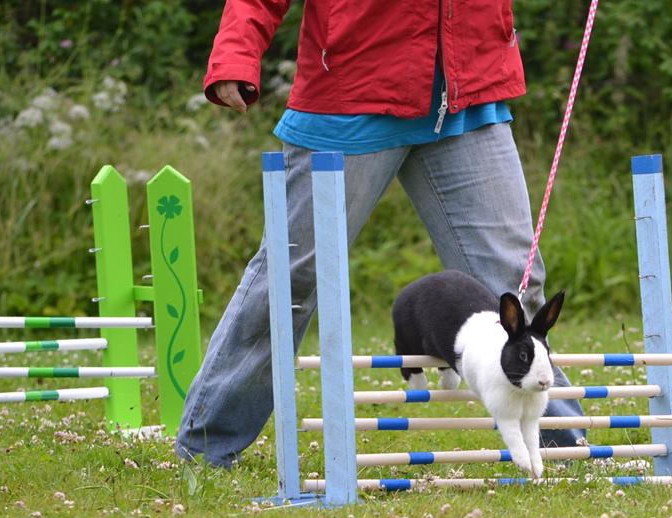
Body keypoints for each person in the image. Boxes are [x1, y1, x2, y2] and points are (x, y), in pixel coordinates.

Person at [177, 0, 587, 467]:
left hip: (467, 91)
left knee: (515, 281)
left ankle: (559, 443)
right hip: (351, 93)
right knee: (291, 278)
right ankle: (207, 446)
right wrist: (235, 54)